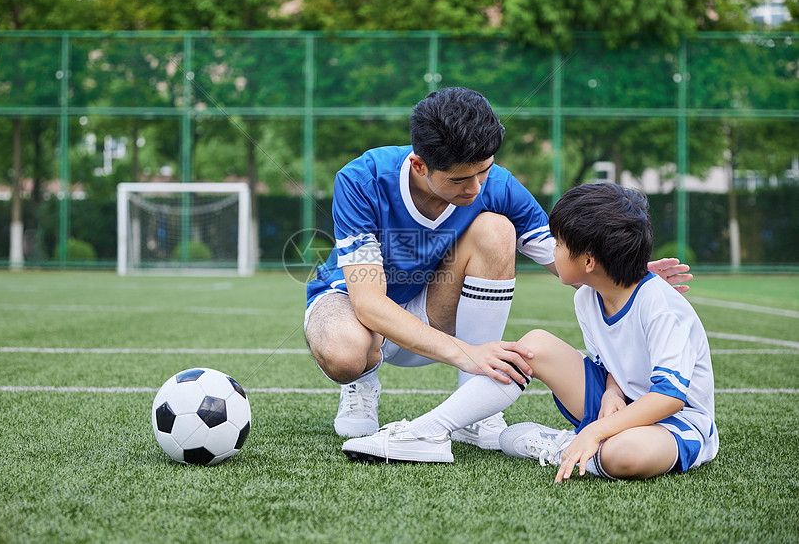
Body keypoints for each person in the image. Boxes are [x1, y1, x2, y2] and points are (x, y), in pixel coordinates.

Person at [305, 87, 692, 450]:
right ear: (419, 165)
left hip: (434, 314)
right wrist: (468, 353)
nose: (475, 188)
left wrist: (625, 275)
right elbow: (369, 304)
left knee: (497, 229)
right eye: (460, 178)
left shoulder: (499, 185)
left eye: (484, 171)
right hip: (355, 309)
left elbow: (566, 260)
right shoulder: (362, 178)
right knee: (344, 353)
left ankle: (474, 406)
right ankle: (362, 382)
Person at [342, 183, 718, 483]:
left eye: (558, 245)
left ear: (588, 261)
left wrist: (597, 430)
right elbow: (614, 364)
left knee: (625, 455)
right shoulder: (588, 297)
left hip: (674, 422)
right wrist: (611, 392)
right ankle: (427, 431)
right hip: (618, 408)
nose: (550, 252)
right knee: (534, 345)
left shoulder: (661, 305)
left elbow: (670, 397)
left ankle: (565, 444)